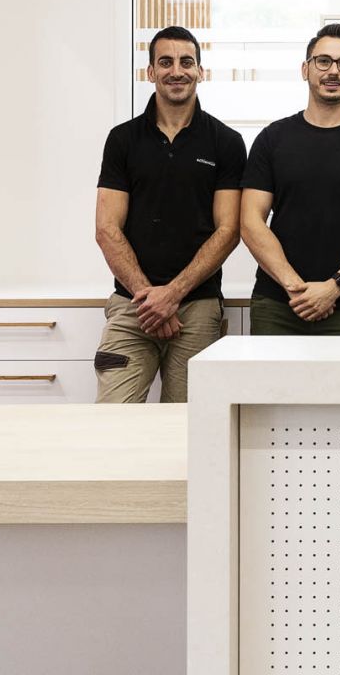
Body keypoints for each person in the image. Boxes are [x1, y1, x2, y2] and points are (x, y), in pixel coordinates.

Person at [93, 25, 245, 402]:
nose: (176, 71)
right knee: (110, 420)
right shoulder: (123, 139)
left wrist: (173, 295)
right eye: (165, 62)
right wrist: (151, 299)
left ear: (200, 71)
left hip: (197, 308)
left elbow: (228, 231)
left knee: (194, 430)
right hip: (133, 307)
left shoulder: (226, 142)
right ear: (150, 72)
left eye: (186, 62)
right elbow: (106, 228)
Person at [240, 22, 340, 334]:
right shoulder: (272, 139)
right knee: (270, 386)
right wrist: (294, 286)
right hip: (277, 304)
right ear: (305, 69)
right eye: (323, 61)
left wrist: (333, 287)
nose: (333, 71)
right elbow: (250, 221)